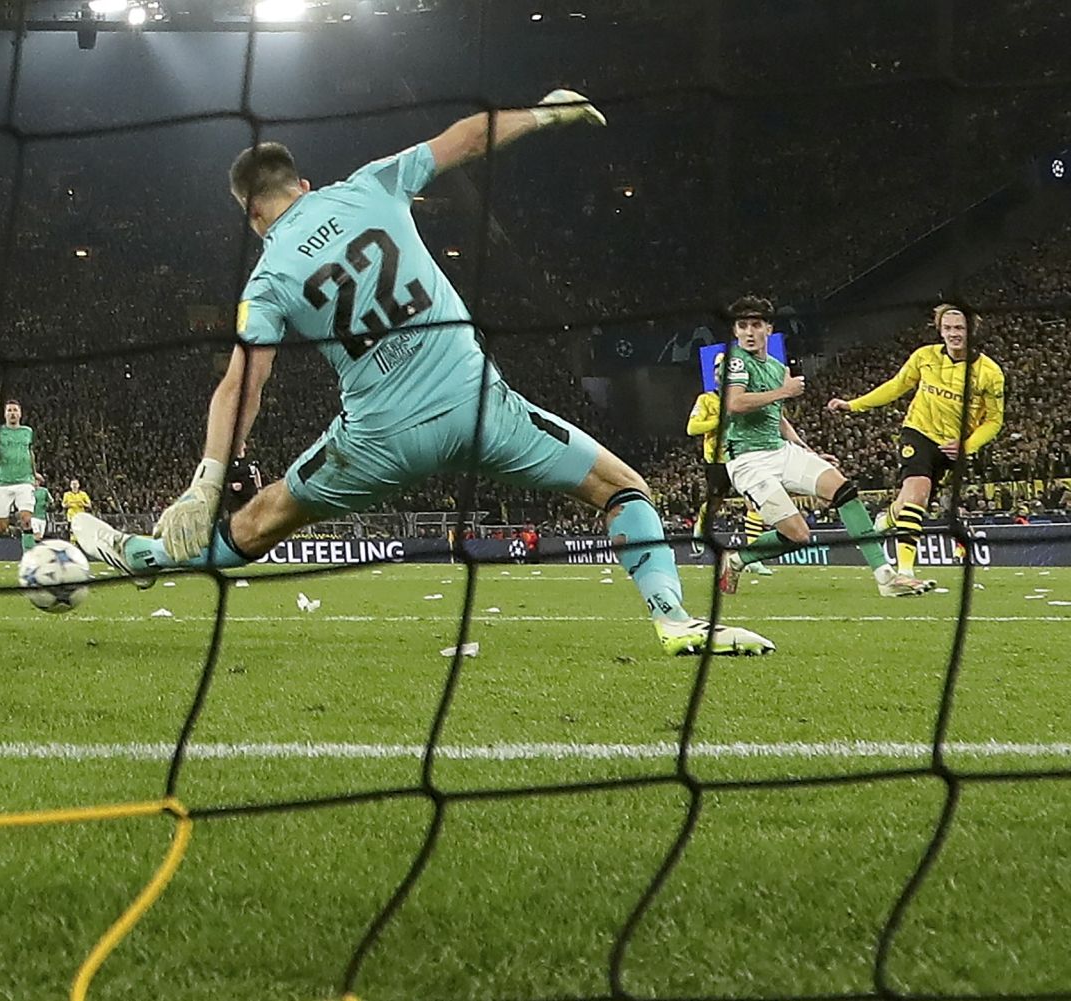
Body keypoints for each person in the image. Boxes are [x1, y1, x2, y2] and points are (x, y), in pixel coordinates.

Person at [75, 93, 773, 656]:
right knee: (624, 490)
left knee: (253, 526)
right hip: (479, 409)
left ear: (251, 214)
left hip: (378, 439)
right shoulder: (371, 185)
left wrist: (205, 478)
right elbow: (466, 136)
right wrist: (545, 114)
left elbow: (243, 385)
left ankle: (141, 554)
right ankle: (675, 620)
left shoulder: (267, 276)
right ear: (304, 184)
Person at [716, 295, 930, 597]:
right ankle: (736, 558)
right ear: (735, 331)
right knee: (798, 534)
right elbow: (734, 403)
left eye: (756, 325)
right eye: (742, 326)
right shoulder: (732, 360)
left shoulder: (777, 368)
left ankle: (886, 576)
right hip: (748, 460)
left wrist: (805, 448)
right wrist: (783, 391)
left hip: (780, 451)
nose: (749, 332)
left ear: (768, 328)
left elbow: (775, 417)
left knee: (843, 489)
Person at [827, 304, 1005, 582]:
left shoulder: (990, 374)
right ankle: (906, 571)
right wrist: (853, 405)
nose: (953, 334)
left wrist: (966, 445)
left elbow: (994, 421)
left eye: (959, 328)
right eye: (947, 328)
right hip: (918, 433)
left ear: (972, 329)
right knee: (918, 492)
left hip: (953, 446)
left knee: (913, 503)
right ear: (940, 329)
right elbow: (896, 386)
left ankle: (887, 520)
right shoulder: (925, 357)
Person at [686, 352, 772, 574]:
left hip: (742, 456)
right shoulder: (706, 399)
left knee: (753, 502)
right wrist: (720, 420)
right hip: (717, 460)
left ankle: (752, 557)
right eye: (717, 370)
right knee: (715, 502)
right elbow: (692, 428)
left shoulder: (744, 398)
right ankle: (701, 525)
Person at [0, 400, 36, 553]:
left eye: (15, 410)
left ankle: (29, 556)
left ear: (20, 413)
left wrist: (34, 473)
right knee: (1, 528)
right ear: (4, 414)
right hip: (3, 481)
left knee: (26, 519)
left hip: (25, 480)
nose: (12, 413)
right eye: (9, 410)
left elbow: (30, 452)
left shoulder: (27, 431)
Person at [30, 472, 51, 542]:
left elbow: (51, 501)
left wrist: (47, 504)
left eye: (36, 480)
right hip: (33, 516)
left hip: (42, 517)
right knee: (36, 535)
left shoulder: (44, 491)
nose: (35, 482)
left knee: (40, 538)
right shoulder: (29, 491)